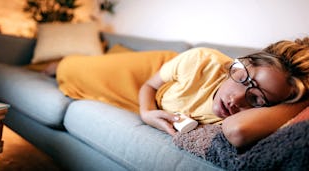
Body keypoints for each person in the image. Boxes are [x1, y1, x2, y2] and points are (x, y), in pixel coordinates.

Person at [55, 37, 309, 148]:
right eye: (243, 79)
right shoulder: (201, 60)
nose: (235, 100)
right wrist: (147, 112)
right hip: (151, 75)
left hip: (157, 97)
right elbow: (149, 85)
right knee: (71, 68)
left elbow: (239, 132)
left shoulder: (247, 117)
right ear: (243, 63)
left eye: (257, 99)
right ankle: (58, 63)